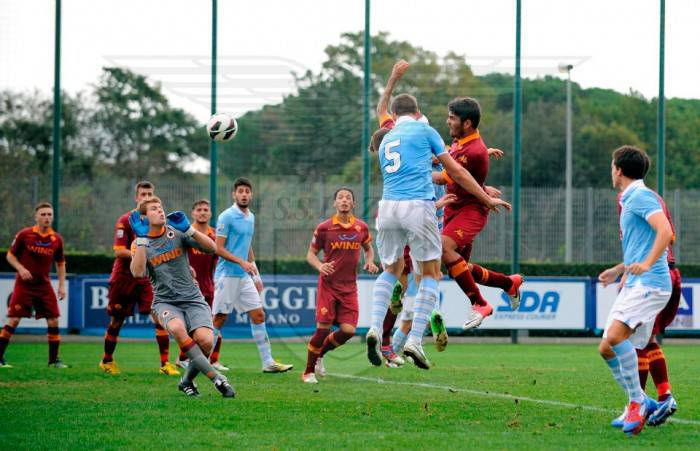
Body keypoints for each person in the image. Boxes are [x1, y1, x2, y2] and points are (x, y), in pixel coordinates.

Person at [365, 90, 511, 370]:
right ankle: (415, 340)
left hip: (387, 209)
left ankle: (374, 327)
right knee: (431, 273)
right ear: (418, 113)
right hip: (419, 208)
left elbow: (434, 163)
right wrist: (485, 197)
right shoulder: (425, 131)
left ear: (394, 116)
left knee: (391, 271)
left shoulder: (386, 139)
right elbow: (455, 172)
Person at [597, 145, 673, 436]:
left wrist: (647, 263)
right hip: (637, 282)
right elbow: (641, 243)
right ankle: (643, 402)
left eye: (612, 165)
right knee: (606, 348)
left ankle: (637, 403)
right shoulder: (630, 198)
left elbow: (664, 231)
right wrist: (621, 269)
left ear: (618, 169)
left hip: (651, 285)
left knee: (615, 338)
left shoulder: (640, 196)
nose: (611, 170)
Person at [129, 197, 234, 397]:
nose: (161, 211)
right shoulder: (138, 243)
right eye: (154, 209)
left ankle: (186, 381)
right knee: (177, 328)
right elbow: (138, 272)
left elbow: (212, 248)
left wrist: (190, 230)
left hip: (193, 299)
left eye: (161, 207)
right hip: (165, 302)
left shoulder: (175, 232)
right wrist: (142, 240)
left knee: (205, 341)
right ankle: (217, 379)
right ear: (143, 217)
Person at [432, 97, 522, 330]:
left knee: (443, 248)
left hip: (471, 210)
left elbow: (444, 176)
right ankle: (508, 283)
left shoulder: (472, 151)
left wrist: (410, 172)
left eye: (452, 118)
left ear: (468, 123)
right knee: (459, 268)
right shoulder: (461, 141)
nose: (448, 121)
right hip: (454, 207)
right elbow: (449, 157)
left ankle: (480, 304)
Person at [211, 177, 293, 373]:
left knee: (258, 315)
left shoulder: (251, 217)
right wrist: (241, 262)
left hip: (244, 276)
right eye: (240, 191)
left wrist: (255, 274)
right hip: (227, 276)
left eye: (247, 191)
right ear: (234, 194)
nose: (244, 194)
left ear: (251, 195)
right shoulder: (226, 216)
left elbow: (247, 247)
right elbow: (218, 249)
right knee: (219, 319)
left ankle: (268, 362)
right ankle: (200, 361)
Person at [100, 181, 178, 376]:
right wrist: (139, 254)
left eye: (149, 194)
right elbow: (118, 251)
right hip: (124, 277)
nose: (146, 197)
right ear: (136, 197)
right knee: (117, 320)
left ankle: (165, 364)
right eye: (142, 194)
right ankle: (107, 361)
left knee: (160, 318)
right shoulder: (126, 220)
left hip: (147, 279)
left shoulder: (158, 222)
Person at [302, 188, 378, 383]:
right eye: (340, 198)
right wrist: (320, 265)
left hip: (349, 287)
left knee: (348, 331)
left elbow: (368, 250)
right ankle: (308, 371)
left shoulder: (361, 228)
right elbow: (310, 254)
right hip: (328, 285)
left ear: (353, 204)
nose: (344, 201)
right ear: (335, 203)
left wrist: (369, 262)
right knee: (323, 329)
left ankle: (320, 354)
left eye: (348, 198)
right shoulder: (324, 228)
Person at [0, 202, 67, 368]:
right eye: (43, 214)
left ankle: (53, 361)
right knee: (14, 319)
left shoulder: (56, 239)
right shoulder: (25, 235)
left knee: (53, 321)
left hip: (44, 285)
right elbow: (10, 256)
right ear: (36, 216)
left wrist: (61, 285)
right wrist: (21, 268)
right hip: (24, 285)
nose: (47, 218)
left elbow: (60, 263)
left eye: (49, 214)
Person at [176, 199, 226, 371]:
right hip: (187, 288)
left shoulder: (214, 236)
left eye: (206, 210)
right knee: (189, 327)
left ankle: (213, 360)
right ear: (193, 213)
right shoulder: (184, 233)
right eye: (199, 210)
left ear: (210, 213)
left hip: (209, 286)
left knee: (212, 325)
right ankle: (183, 358)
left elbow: (217, 262)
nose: (203, 212)